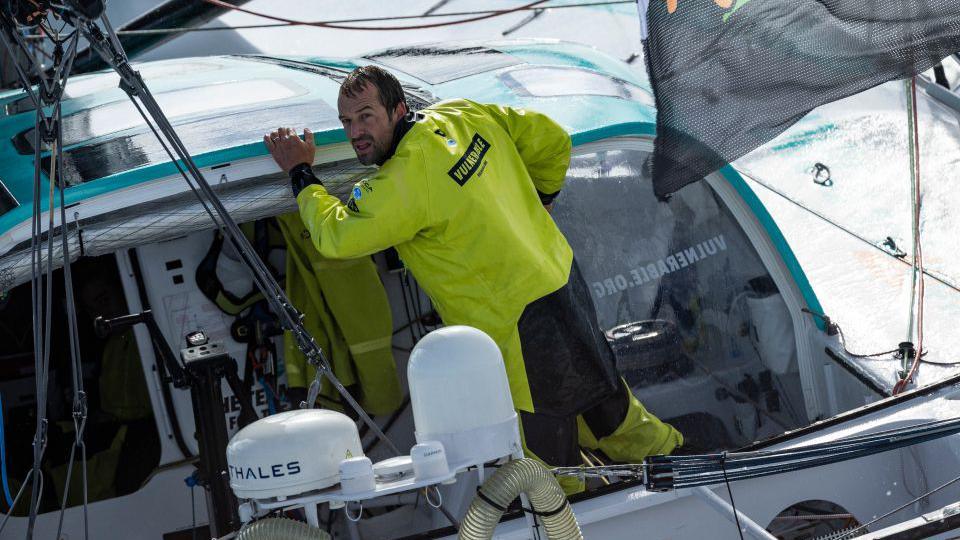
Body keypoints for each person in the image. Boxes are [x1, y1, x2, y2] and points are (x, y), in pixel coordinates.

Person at [264, 65, 682, 492]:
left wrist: (301, 175)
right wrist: (542, 200)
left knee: (544, 455)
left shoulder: (403, 181)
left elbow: (336, 237)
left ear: (398, 110)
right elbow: (552, 139)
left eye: (366, 116)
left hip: (514, 323)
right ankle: (680, 462)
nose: (355, 132)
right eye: (347, 122)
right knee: (606, 400)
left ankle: (563, 520)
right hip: (561, 280)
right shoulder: (463, 114)